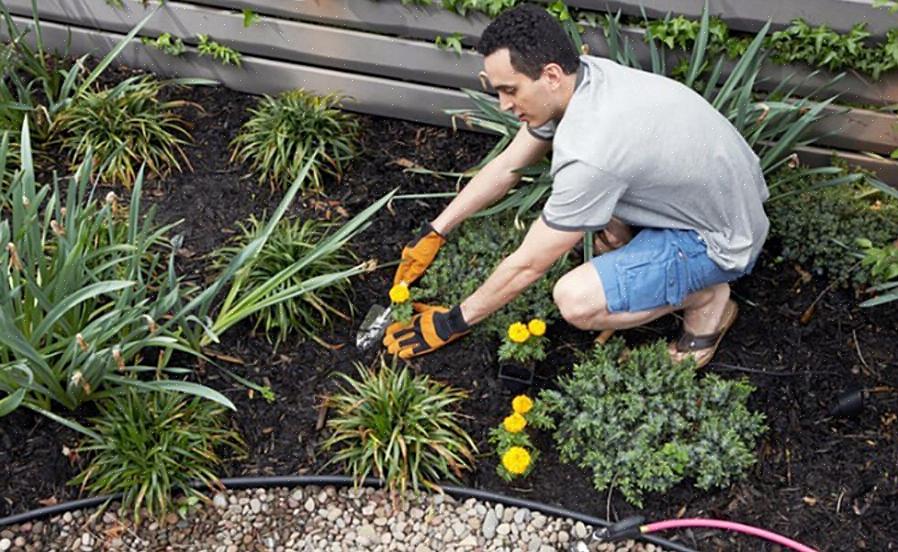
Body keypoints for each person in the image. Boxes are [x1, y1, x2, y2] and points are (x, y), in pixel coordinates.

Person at [383, 4, 769, 368]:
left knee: (576, 300)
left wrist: (453, 321)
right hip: (716, 200)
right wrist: (436, 230)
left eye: (510, 90)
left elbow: (528, 266)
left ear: (550, 75)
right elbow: (508, 166)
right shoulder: (582, 78)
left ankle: (709, 301)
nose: (502, 104)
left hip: (719, 241)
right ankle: (668, 268)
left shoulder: (592, 150)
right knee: (600, 226)